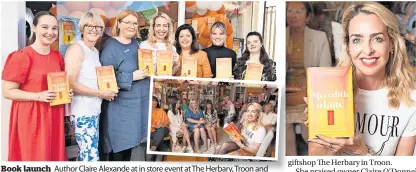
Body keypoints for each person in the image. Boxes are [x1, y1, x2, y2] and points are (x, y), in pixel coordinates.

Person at [307, 2, 416, 156]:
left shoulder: (411, 101)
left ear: (391, 44)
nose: (367, 50)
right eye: (357, 40)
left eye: (377, 39)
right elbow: (315, 161)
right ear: (347, 46)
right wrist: (321, 128)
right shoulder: (328, 91)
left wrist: (362, 152)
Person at [2, 11, 70, 160]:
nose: (50, 32)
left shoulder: (57, 56)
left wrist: (65, 93)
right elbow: (7, 92)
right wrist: (38, 96)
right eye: (45, 27)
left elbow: (58, 83)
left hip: (53, 115)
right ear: (34, 28)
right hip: (31, 118)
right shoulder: (22, 56)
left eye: (54, 28)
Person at [65, 12, 116, 161]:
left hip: (94, 110)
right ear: (82, 27)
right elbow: (70, 83)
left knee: (87, 152)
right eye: (90, 25)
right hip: (82, 111)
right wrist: (100, 93)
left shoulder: (95, 51)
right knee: (90, 156)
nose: (94, 29)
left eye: (98, 26)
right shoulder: (76, 49)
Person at [99, 9, 149, 161]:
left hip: (135, 108)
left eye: (134, 23)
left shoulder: (136, 45)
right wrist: (131, 76)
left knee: (129, 148)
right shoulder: (111, 47)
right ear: (119, 24)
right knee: (118, 149)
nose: (132, 26)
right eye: (127, 22)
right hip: (119, 109)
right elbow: (104, 78)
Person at [285, 1, 332, 156]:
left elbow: (325, 74)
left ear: (308, 17)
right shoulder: (280, 36)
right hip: (284, 96)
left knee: (311, 135)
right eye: (290, 10)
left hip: (309, 95)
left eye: (299, 11)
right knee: (285, 134)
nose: (293, 15)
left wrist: (313, 96)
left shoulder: (319, 38)